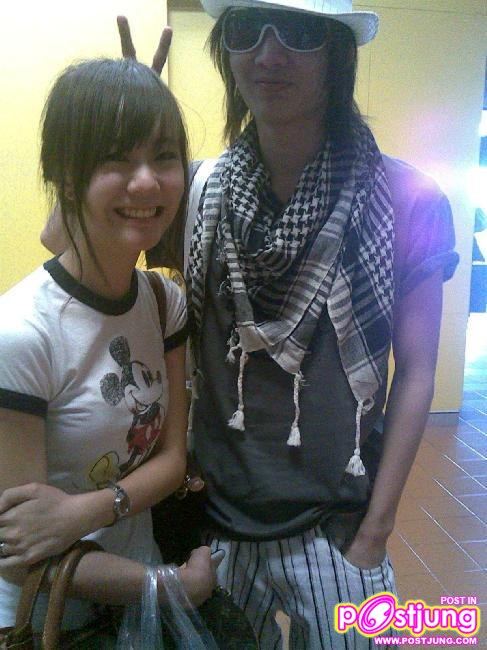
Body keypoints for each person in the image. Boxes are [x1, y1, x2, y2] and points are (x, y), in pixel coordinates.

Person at [16, 1, 460, 646]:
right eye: (248, 30)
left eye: (299, 33)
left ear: (336, 52)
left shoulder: (407, 198)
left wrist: (376, 532)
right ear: (227, 50)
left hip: (338, 528)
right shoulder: (201, 190)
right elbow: (63, 240)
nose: (269, 54)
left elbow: (418, 372)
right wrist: (126, 125)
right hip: (213, 525)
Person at [0, 57, 219, 637]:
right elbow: (20, 556)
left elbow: (172, 460)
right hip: (46, 623)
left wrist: (83, 512)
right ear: (66, 176)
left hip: (133, 609)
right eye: (115, 159)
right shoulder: (20, 334)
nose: (146, 182)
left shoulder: (161, 302)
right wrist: (170, 585)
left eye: (164, 156)